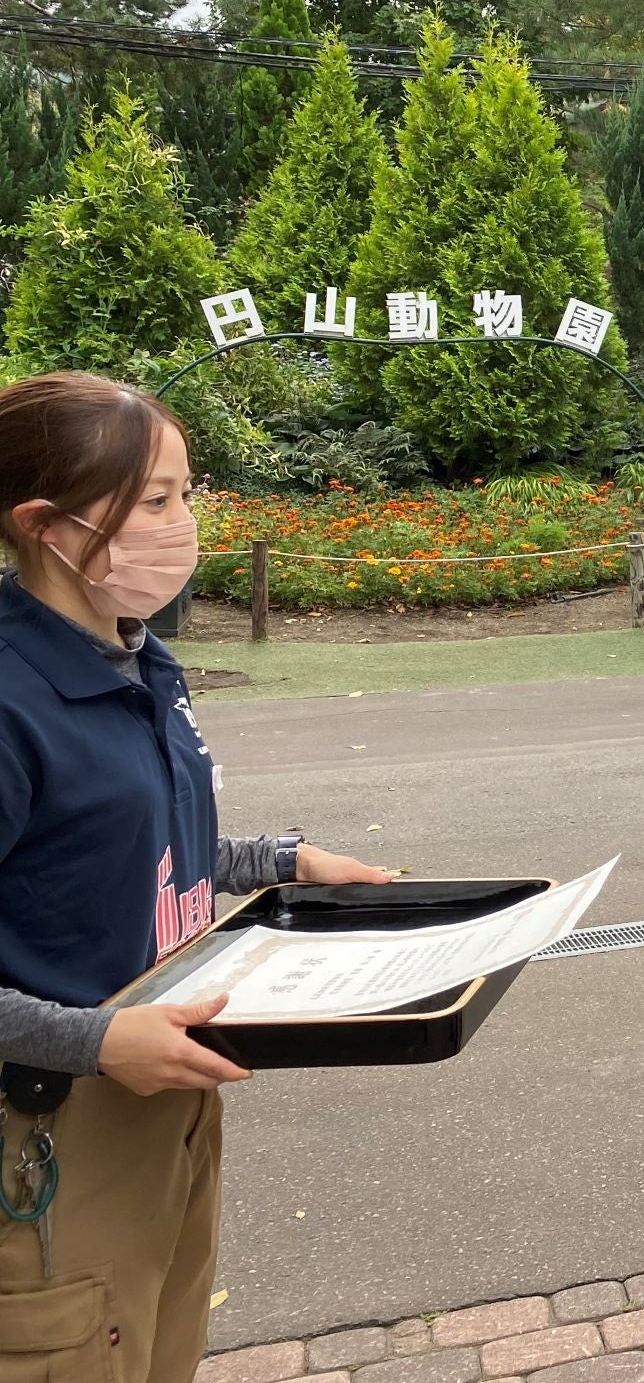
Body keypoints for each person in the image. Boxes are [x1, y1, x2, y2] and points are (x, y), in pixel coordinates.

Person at [0, 372, 389, 1381]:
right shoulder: (10, 700)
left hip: (167, 1091)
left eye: (186, 495)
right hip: (51, 1125)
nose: (185, 527)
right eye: (156, 504)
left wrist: (283, 864)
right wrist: (91, 1040)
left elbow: (132, 839)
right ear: (45, 525)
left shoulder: (138, 657)